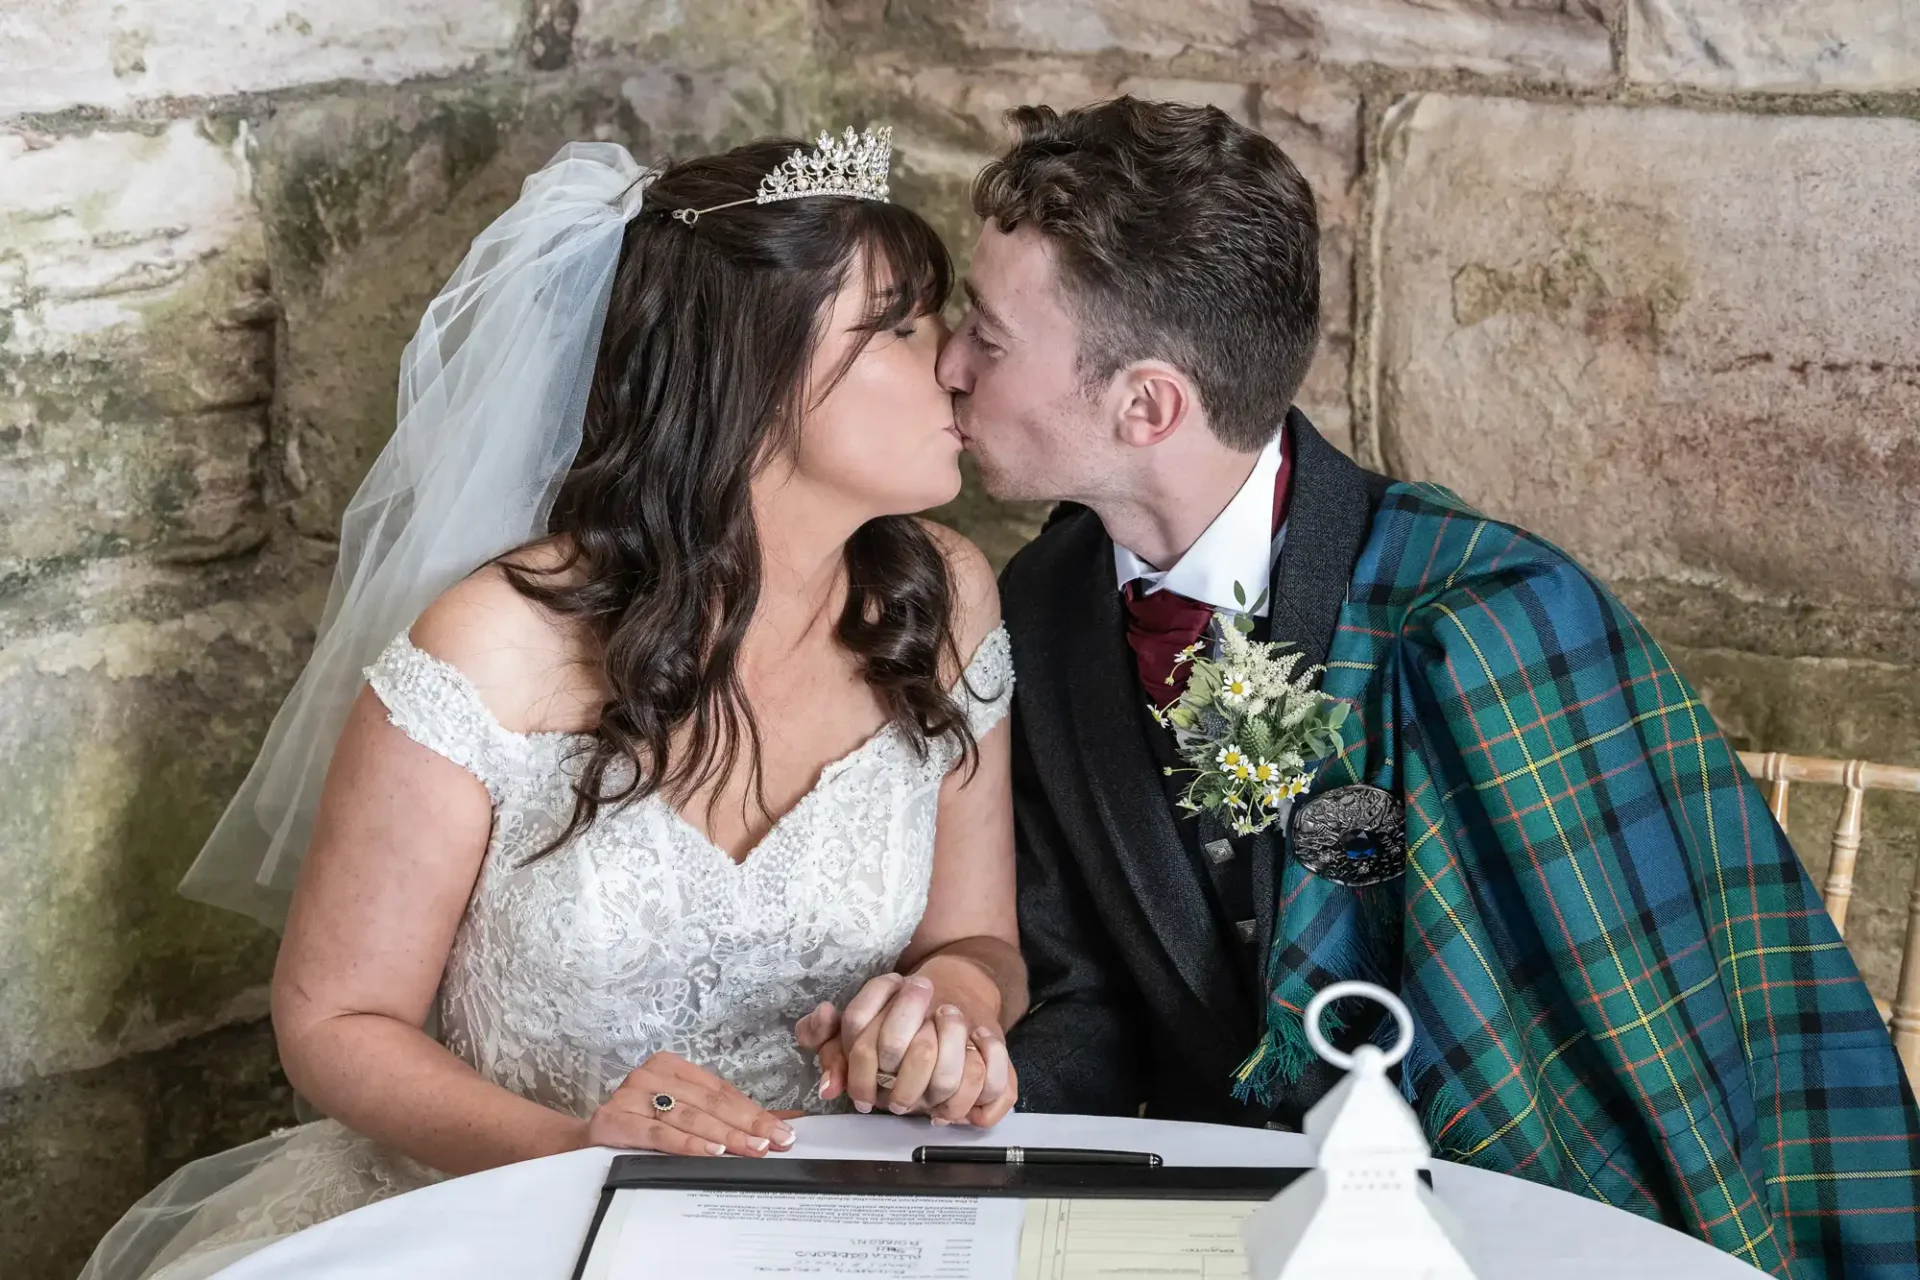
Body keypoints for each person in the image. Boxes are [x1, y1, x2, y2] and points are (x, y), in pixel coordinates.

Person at [938, 97, 1920, 1278]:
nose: (946, 360)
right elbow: (1094, 994)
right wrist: (978, 1077)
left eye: (986, 338)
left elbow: (1620, 1056)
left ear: (1146, 403)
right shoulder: (1038, 607)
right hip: (1218, 1233)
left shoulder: (1486, 624)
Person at [81, 129, 1025, 1280]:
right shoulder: (497, 642)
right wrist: (580, 1153)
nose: (957, 366)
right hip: (515, 1217)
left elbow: (980, 942)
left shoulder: (944, 595)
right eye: (903, 327)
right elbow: (336, 1020)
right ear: (753, 372)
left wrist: (941, 1012)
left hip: (839, 1221)